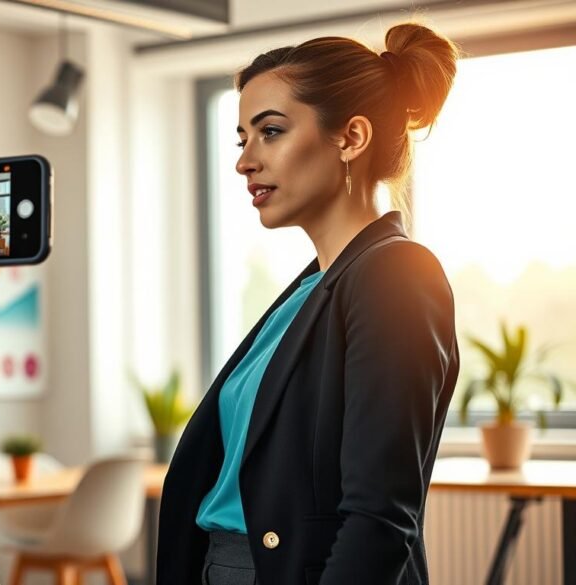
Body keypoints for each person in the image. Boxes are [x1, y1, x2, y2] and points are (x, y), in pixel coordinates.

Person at [156, 23, 462, 585]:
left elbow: (378, 518)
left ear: (351, 138)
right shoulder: (309, 290)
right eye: (241, 138)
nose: (245, 161)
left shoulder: (396, 275)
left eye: (270, 132)